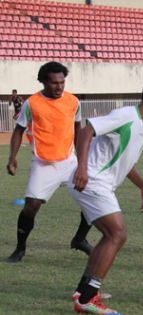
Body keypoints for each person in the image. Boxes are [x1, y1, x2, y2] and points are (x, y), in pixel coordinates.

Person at [69, 75, 143, 315]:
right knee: (117, 234)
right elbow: (86, 131)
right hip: (92, 180)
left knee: (110, 235)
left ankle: (83, 291)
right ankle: (88, 297)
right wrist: (83, 168)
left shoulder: (142, 126)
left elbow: (125, 163)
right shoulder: (127, 116)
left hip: (101, 184)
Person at [5, 62, 93, 263]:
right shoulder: (32, 103)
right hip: (43, 163)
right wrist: (12, 157)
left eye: (62, 82)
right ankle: (20, 248)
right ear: (43, 81)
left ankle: (80, 239)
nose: (59, 87)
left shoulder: (73, 102)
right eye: (54, 83)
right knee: (31, 207)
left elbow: (78, 130)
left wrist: (82, 162)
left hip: (70, 162)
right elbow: (19, 130)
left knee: (94, 198)